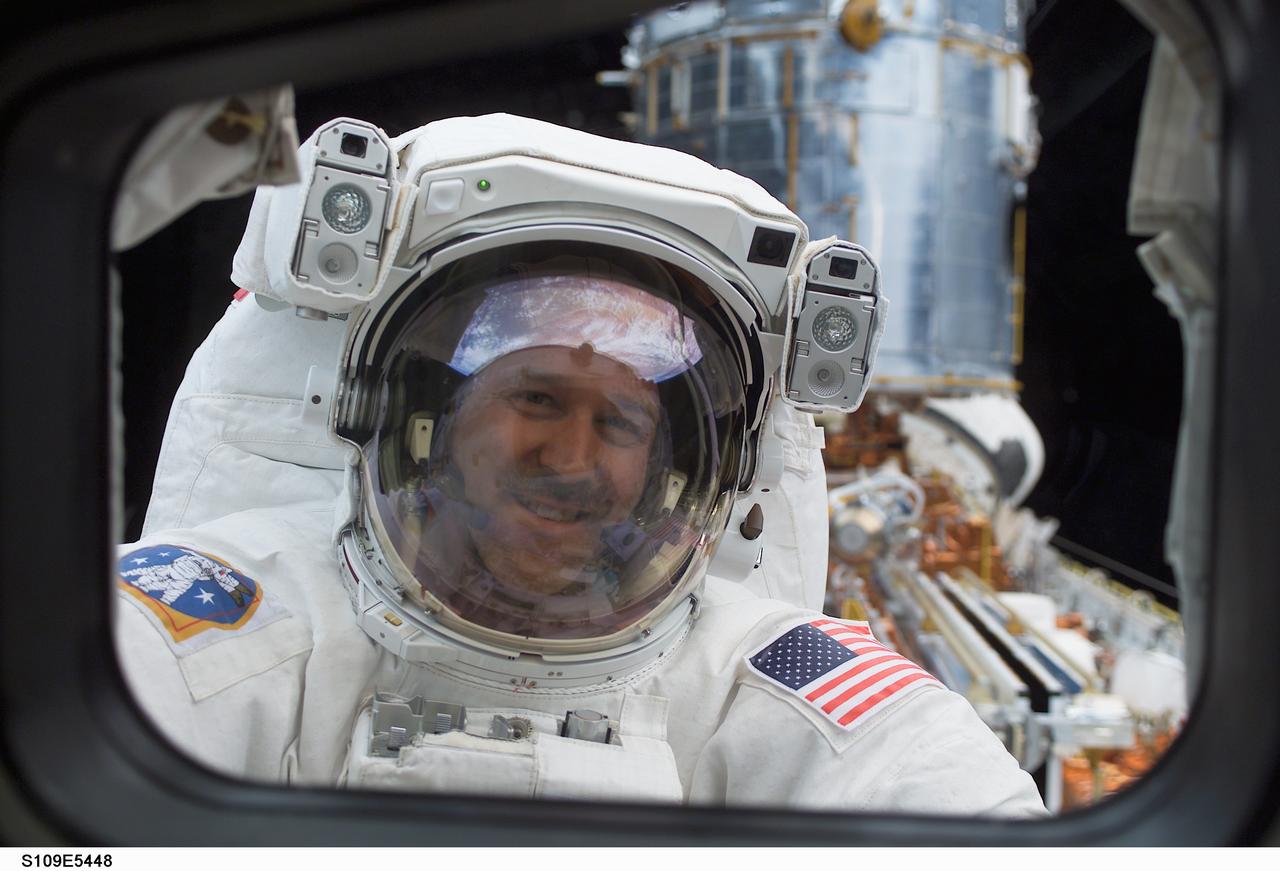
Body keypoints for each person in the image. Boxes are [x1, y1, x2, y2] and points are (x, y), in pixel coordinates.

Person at [114, 113, 1046, 814]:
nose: (570, 457)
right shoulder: (230, 629)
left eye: (622, 423)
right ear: (419, 419)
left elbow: (934, 785)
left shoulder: (758, 686)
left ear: (684, 468)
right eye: (537, 398)